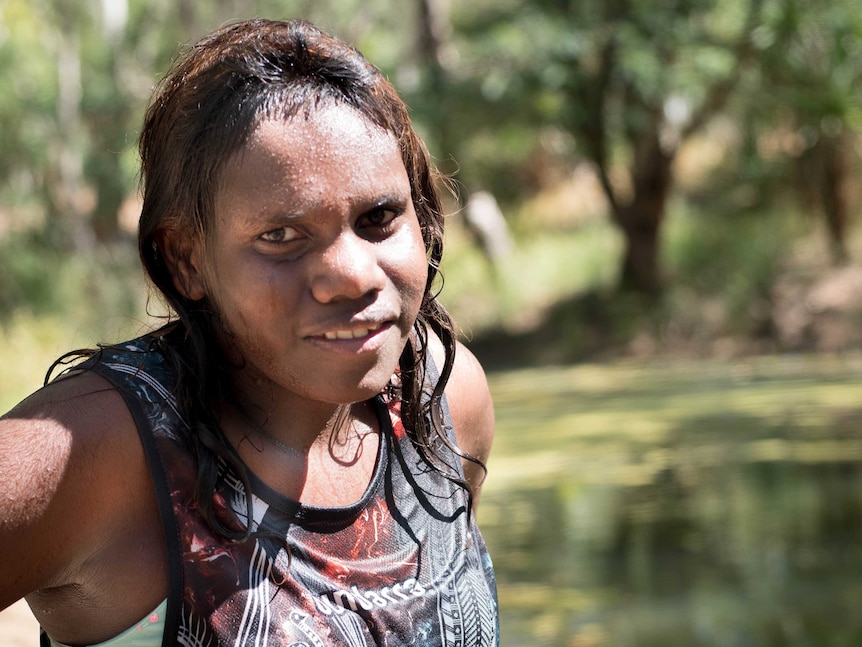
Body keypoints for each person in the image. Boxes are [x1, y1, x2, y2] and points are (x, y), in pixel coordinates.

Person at [0, 18, 498, 646]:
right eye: (281, 237)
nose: (349, 276)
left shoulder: (441, 403)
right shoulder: (103, 453)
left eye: (378, 218)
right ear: (187, 258)